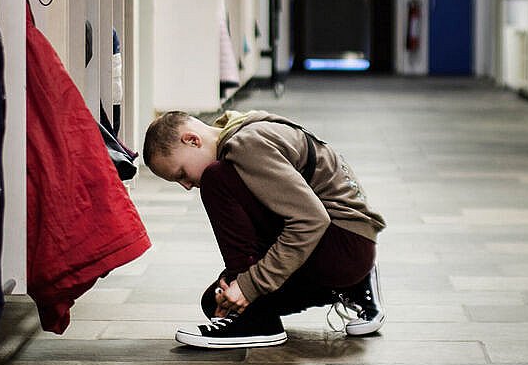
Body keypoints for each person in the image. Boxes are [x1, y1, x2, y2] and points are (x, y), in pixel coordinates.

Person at [142, 109, 385, 348]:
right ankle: (353, 285)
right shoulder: (243, 135)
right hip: (348, 248)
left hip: (342, 246)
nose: (186, 186)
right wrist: (233, 282)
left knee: (215, 179)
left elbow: (311, 220)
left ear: (192, 140)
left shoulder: (247, 145)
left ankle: (256, 321)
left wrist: (249, 286)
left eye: (181, 174)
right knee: (216, 301)